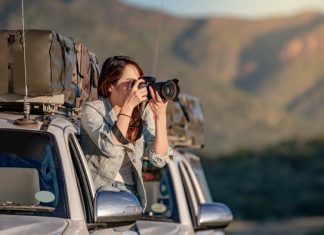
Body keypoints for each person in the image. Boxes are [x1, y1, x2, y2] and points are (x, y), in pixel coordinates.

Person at [80, 55, 173, 209]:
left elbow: (159, 158)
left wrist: (161, 117)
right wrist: (128, 106)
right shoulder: (92, 110)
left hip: (129, 194)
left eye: (138, 83)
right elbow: (110, 146)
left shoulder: (142, 113)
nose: (136, 89)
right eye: (131, 83)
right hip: (97, 193)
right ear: (110, 85)